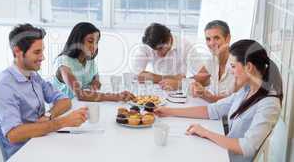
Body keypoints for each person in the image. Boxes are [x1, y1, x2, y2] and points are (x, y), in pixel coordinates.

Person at [155, 39, 283, 162]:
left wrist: (205, 132)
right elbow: (212, 110)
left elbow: (246, 147)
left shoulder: (269, 104)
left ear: (248, 67)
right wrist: (169, 111)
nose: (232, 72)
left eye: (233, 66)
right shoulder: (246, 91)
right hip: (222, 152)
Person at [0, 24, 88, 160]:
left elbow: (65, 101)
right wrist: (62, 122)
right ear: (18, 52)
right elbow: (13, 134)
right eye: (37, 52)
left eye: (42, 51)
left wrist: (49, 115)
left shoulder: (33, 76)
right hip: (25, 154)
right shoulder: (5, 86)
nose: (43, 57)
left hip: (43, 141)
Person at [52, 22, 134, 102]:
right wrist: (117, 96)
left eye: (96, 42)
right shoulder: (63, 62)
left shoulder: (90, 61)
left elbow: (96, 78)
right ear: (78, 41)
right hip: (64, 110)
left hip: (82, 107)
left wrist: (96, 82)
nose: (94, 46)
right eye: (90, 41)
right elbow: (80, 94)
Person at [188, 20, 236, 102]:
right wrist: (194, 86)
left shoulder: (239, 63)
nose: (212, 43)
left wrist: (205, 95)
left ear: (228, 38)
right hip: (212, 109)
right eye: (208, 39)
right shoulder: (211, 60)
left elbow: (234, 101)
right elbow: (197, 80)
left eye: (216, 38)